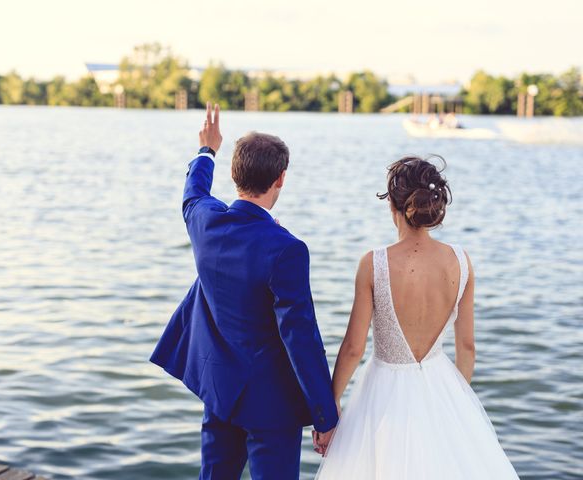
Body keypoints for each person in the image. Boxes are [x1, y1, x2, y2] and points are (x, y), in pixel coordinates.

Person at [150, 103, 338, 480]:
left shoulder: (205, 222)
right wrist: (324, 414)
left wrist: (207, 150)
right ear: (281, 179)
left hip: (219, 392)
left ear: (235, 174)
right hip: (272, 406)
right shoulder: (287, 249)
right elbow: (300, 337)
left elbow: (193, 192)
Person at [315, 156, 519, 479]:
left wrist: (330, 407)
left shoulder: (374, 264)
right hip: (441, 385)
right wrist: (453, 404)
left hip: (382, 392)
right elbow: (467, 348)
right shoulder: (461, 262)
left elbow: (354, 347)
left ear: (392, 206)